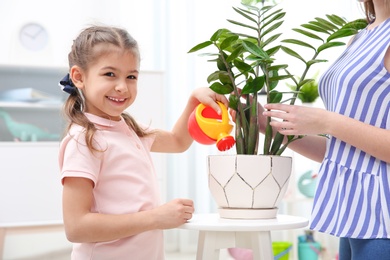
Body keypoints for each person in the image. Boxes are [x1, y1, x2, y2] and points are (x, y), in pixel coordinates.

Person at [58, 25, 228, 260]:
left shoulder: (129, 130)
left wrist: (192, 102)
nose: (122, 86)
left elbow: (178, 141)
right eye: (110, 74)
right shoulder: (85, 140)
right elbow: (77, 227)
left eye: (131, 76)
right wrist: (157, 218)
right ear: (79, 77)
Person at [261, 0, 390, 259]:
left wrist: (327, 121)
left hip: (383, 214)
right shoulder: (362, 36)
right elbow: (343, 151)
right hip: (354, 214)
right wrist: (264, 123)